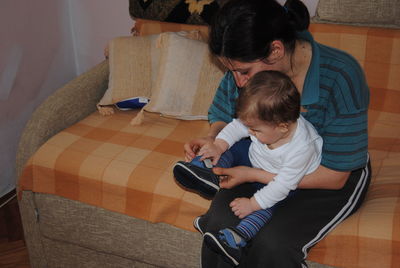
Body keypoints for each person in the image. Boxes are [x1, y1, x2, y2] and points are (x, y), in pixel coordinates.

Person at [183, 0, 371, 267]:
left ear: (275, 50)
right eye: (231, 71)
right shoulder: (246, 72)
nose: (239, 82)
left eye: (244, 71)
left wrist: (252, 175)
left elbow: (336, 177)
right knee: (218, 227)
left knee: (274, 244)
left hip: (324, 174)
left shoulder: (341, 74)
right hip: (265, 157)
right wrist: (214, 140)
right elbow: (225, 114)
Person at [175, 70, 323, 266]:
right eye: (250, 127)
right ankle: (204, 173)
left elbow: (282, 185)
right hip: (258, 158)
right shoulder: (265, 123)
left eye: (255, 129)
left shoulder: (302, 148)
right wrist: (219, 144)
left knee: (269, 204)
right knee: (230, 145)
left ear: (282, 127)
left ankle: (236, 238)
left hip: (283, 180)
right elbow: (237, 127)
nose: (250, 132)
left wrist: (253, 203)